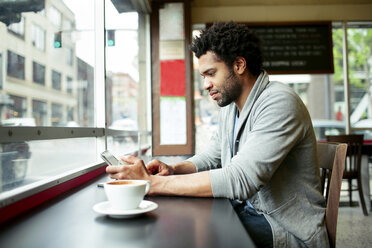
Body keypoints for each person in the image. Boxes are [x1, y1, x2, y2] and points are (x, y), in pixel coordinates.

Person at [106, 21, 329, 247]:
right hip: (248, 212)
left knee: (187, 231)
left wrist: (151, 184)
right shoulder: (232, 107)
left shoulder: (279, 102)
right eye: (203, 76)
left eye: (211, 73)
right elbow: (213, 156)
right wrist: (173, 170)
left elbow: (241, 179)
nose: (205, 84)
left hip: (286, 227)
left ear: (239, 65)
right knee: (181, 221)